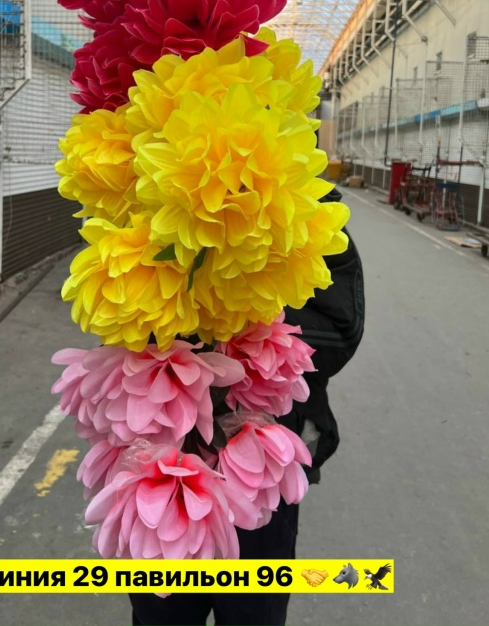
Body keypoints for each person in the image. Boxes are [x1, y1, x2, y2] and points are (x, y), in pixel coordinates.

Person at [129, 187, 365, 626]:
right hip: (161, 457)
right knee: (159, 610)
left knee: (253, 611)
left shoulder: (310, 206)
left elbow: (341, 329)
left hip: (260, 466)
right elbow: (115, 310)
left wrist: (242, 324)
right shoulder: (149, 191)